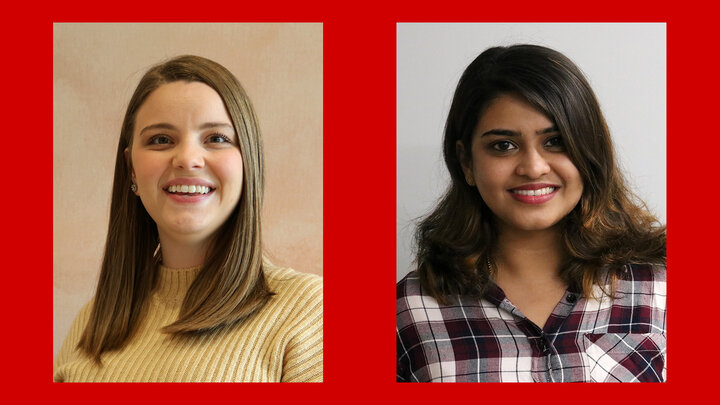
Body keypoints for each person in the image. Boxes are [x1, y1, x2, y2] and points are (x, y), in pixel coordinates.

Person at [396, 45, 666, 383]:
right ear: (466, 162)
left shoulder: (660, 286)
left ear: (588, 148)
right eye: (503, 146)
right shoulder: (407, 312)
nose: (533, 167)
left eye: (555, 141)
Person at [54, 55, 323, 382]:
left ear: (247, 162)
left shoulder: (309, 313)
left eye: (216, 138)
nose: (187, 159)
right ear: (131, 169)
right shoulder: (94, 321)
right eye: (161, 140)